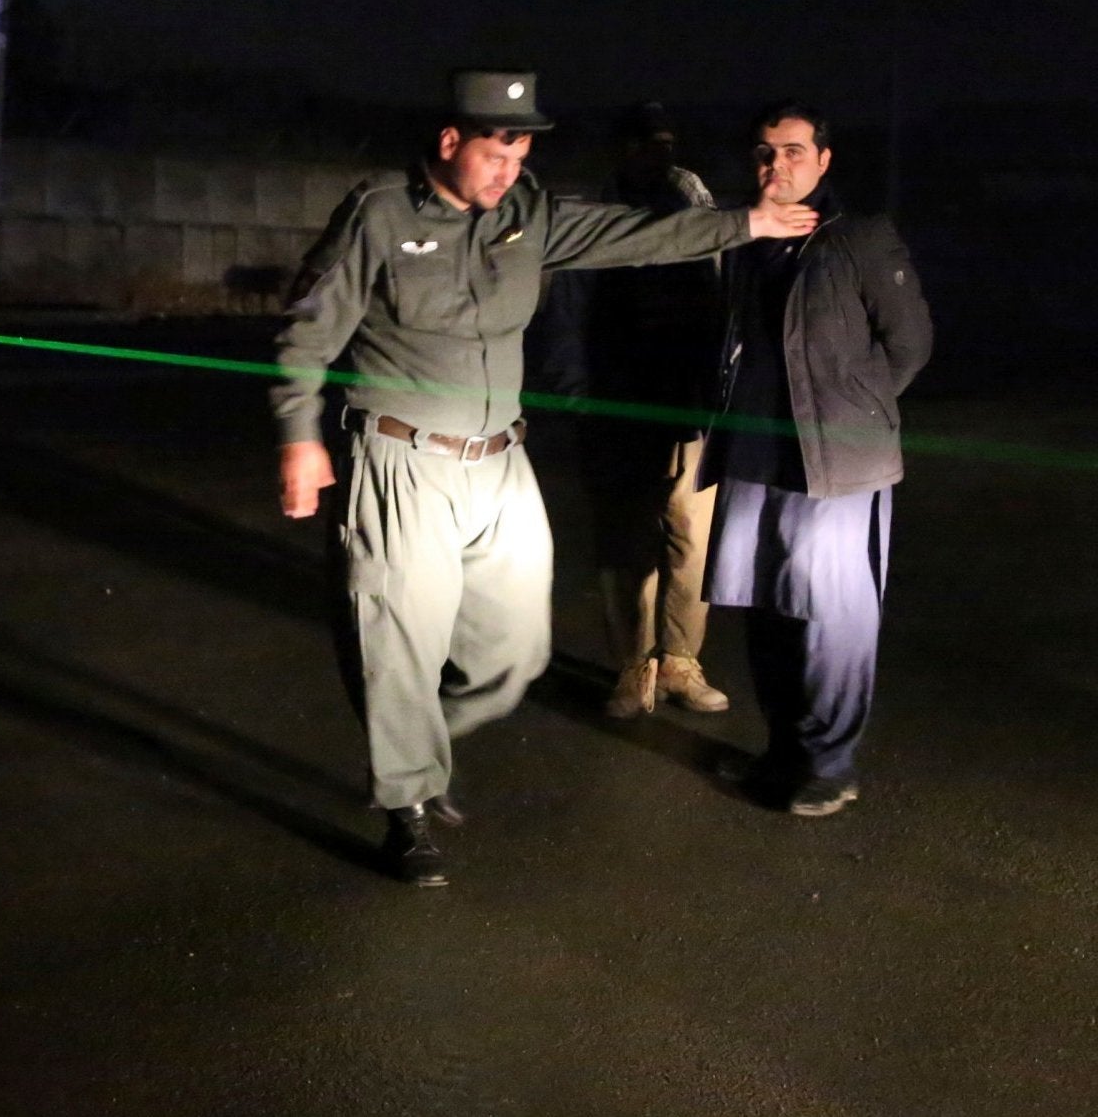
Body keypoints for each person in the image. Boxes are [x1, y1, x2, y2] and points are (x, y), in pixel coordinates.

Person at [274, 70, 819, 886]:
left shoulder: (530, 215)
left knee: (515, 652)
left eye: (523, 145)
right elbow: (306, 330)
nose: (510, 164)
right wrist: (299, 435)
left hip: (500, 461)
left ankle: (415, 744)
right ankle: (407, 806)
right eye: (499, 146)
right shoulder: (380, 215)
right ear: (452, 141)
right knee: (399, 643)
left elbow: (638, 237)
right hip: (403, 457)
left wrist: (748, 223)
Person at [701, 103, 931, 817]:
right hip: (753, 455)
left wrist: (853, 416)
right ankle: (782, 754)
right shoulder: (748, 236)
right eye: (767, 153)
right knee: (767, 611)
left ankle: (831, 765)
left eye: (795, 152)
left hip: (835, 465)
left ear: (824, 160)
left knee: (833, 621)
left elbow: (910, 344)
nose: (779, 167)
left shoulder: (859, 238)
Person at [536, 102, 729, 718]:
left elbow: (727, 311)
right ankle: (632, 667)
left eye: (664, 142)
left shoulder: (703, 218)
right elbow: (566, 312)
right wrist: (576, 395)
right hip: (617, 407)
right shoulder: (593, 220)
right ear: (619, 151)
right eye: (642, 143)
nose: (654, 154)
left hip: (691, 407)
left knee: (691, 542)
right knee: (623, 546)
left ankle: (680, 662)